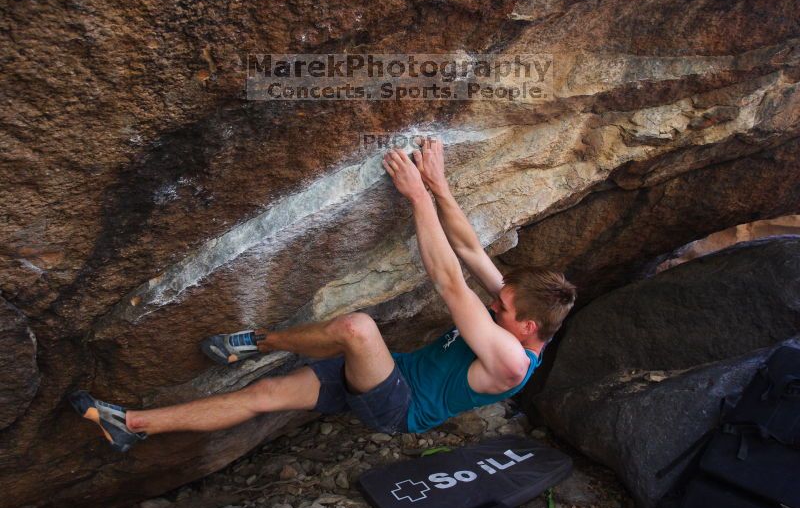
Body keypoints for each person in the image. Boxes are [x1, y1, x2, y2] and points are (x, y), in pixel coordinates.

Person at [69, 137, 576, 452]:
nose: (494, 303)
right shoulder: (529, 314)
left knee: (358, 328)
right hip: (386, 375)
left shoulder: (510, 359)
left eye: (500, 308)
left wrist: (416, 197)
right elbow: (467, 249)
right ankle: (130, 424)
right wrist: (441, 187)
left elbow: (448, 281)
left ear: (525, 327)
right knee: (263, 396)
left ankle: (260, 342)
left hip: (396, 407)